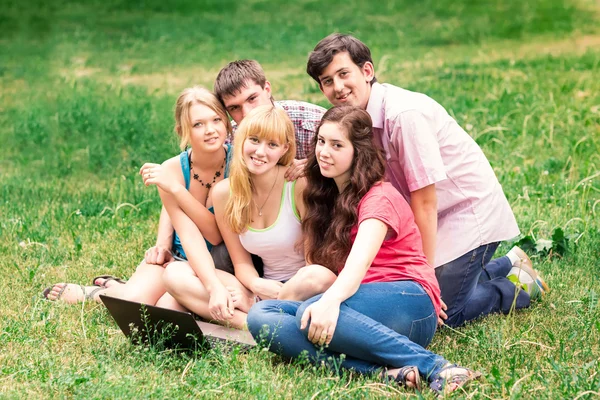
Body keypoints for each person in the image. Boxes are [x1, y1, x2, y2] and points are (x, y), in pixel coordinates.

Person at [304, 33, 550, 328]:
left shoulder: (403, 115)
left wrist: (424, 278)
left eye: (344, 74)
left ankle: (516, 287)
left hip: (468, 215)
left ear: (367, 71)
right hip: (431, 218)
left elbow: (425, 201)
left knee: (439, 310)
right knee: (424, 293)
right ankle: (507, 264)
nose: (338, 87)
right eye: (327, 81)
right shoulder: (357, 120)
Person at [247, 106, 481, 396]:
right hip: (360, 308)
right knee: (261, 316)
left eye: (336, 145)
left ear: (358, 152)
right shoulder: (330, 195)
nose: (324, 152)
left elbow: (355, 270)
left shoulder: (379, 198)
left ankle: (438, 367)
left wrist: (328, 302)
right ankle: (382, 374)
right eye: (321, 141)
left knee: (311, 310)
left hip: (409, 302)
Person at [43, 86, 234, 308]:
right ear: (183, 131)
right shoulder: (171, 170)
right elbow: (189, 235)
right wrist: (163, 244)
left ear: (227, 123)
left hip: (218, 265)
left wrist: (177, 190)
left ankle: (122, 288)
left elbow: (216, 236)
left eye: (216, 120)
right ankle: (98, 293)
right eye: (198, 124)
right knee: (134, 304)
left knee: (167, 311)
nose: (210, 130)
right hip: (178, 257)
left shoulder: (237, 165)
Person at [162, 105, 336, 329]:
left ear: (285, 149)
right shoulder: (225, 193)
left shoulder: (298, 185)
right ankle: (254, 326)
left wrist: (281, 293)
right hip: (261, 289)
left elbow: (314, 260)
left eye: (272, 144)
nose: (260, 152)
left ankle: (266, 318)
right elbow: (241, 263)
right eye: (254, 140)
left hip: (304, 289)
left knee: (316, 275)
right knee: (174, 274)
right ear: (241, 140)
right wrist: (256, 285)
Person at [214, 59, 326, 181]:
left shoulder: (315, 124)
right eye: (234, 108)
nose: (247, 112)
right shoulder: (228, 142)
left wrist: (316, 168)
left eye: (252, 98)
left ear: (267, 89)